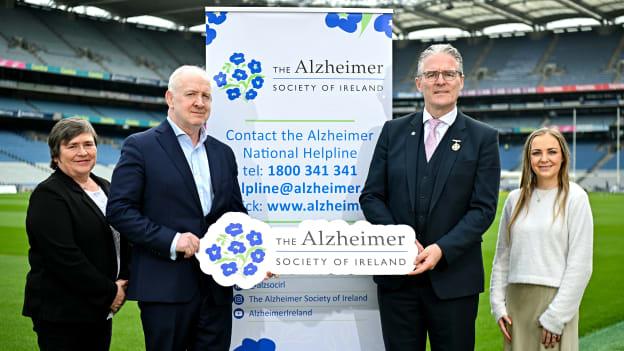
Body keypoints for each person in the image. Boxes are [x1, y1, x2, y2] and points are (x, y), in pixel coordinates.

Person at [359, 43, 501, 350]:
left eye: (448, 74)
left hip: (454, 281)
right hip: (398, 279)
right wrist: (401, 240)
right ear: (419, 82)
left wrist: (441, 249)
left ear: (461, 80)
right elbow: (371, 196)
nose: (440, 81)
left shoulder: (483, 138)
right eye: (432, 74)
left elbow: (483, 209)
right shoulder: (392, 132)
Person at [106, 65, 246, 351]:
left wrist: (251, 255)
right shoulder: (140, 146)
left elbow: (235, 215)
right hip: (165, 288)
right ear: (170, 98)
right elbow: (119, 209)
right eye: (191, 94)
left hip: (216, 290)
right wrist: (171, 240)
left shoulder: (223, 153)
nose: (200, 102)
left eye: (206, 96)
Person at [23, 117, 129, 351]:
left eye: (88, 144)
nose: (83, 152)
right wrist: (112, 291)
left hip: (100, 308)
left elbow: (122, 240)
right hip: (64, 311)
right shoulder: (48, 194)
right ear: (56, 154)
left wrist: (124, 282)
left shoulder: (106, 187)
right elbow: (63, 257)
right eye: (72, 146)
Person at [490, 128, 593, 350]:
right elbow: (502, 258)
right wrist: (498, 305)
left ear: (563, 156)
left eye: (552, 152)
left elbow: (581, 265)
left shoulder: (576, 198)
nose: (544, 159)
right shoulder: (514, 200)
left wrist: (556, 317)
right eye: (536, 153)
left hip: (555, 304)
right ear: (528, 158)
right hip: (516, 304)